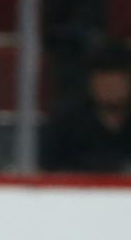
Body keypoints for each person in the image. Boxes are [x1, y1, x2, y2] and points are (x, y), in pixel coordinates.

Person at [40, 43, 131, 173]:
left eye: (116, 83)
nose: (110, 89)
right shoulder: (67, 122)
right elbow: (46, 171)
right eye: (103, 82)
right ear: (91, 82)